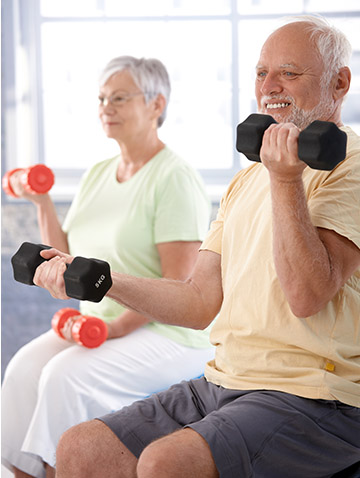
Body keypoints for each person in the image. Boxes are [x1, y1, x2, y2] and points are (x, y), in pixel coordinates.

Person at [27, 15, 360, 478]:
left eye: (289, 72)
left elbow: (307, 296)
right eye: (262, 73)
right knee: (81, 448)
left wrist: (286, 180)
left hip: (316, 396)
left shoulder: (351, 170)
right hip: (225, 379)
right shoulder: (246, 180)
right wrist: (98, 277)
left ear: (339, 81)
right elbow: (199, 300)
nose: (270, 86)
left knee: (166, 463)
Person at [1, 56, 215, 478]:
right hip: (100, 324)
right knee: (24, 368)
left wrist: (117, 328)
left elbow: (180, 283)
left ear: (157, 105)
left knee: (65, 376)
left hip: (168, 332)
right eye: (101, 98)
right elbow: (64, 257)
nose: (105, 107)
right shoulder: (98, 173)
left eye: (119, 97)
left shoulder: (174, 177)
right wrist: (41, 202)